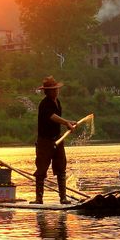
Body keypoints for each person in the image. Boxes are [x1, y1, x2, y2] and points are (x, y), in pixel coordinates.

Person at [32, 76, 76, 204]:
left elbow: (58, 119)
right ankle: (38, 199)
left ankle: (63, 198)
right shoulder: (44, 104)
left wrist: (69, 122)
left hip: (58, 140)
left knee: (61, 168)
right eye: (53, 90)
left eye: (56, 89)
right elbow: (52, 117)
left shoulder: (58, 102)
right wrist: (66, 122)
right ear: (47, 91)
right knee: (41, 170)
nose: (56, 91)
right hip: (45, 142)